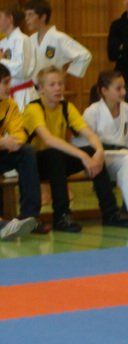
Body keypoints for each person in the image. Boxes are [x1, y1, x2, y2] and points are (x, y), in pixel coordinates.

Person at [23, 66, 128, 232]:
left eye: (60, 84)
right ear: (41, 89)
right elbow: (49, 140)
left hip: (57, 161)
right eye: (52, 85)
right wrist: (82, 155)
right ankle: (61, 216)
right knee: (56, 154)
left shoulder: (66, 107)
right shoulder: (33, 109)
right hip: (35, 165)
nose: (58, 88)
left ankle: (110, 213)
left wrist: (99, 152)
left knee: (92, 152)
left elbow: (90, 134)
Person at [75, 70, 128, 227]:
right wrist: (90, 161)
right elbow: (82, 143)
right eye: (118, 88)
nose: (124, 92)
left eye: (124, 88)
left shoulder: (126, 108)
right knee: (127, 160)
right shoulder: (92, 112)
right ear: (104, 91)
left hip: (120, 154)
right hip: (99, 160)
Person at [0, 63, 47, 233]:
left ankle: (29, 217)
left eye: (9, 82)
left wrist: (14, 142)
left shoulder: (9, 105)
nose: (9, 87)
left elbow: (19, 132)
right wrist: (2, 142)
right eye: (5, 83)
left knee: (26, 152)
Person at [24, 0, 92, 84]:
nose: (26, 19)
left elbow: (84, 56)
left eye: (30, 15)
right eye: (26, 15)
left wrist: (63, 76)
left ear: (43, 17)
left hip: (51, 87)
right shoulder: (30, 39)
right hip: (33, 87)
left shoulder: (58, 38)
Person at [0, 4, 38, 111]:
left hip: (23, 95)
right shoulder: (2, 43)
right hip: (6, 95)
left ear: (10, 19)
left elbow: (21, 69)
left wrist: (1, 61)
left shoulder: (22, 40)